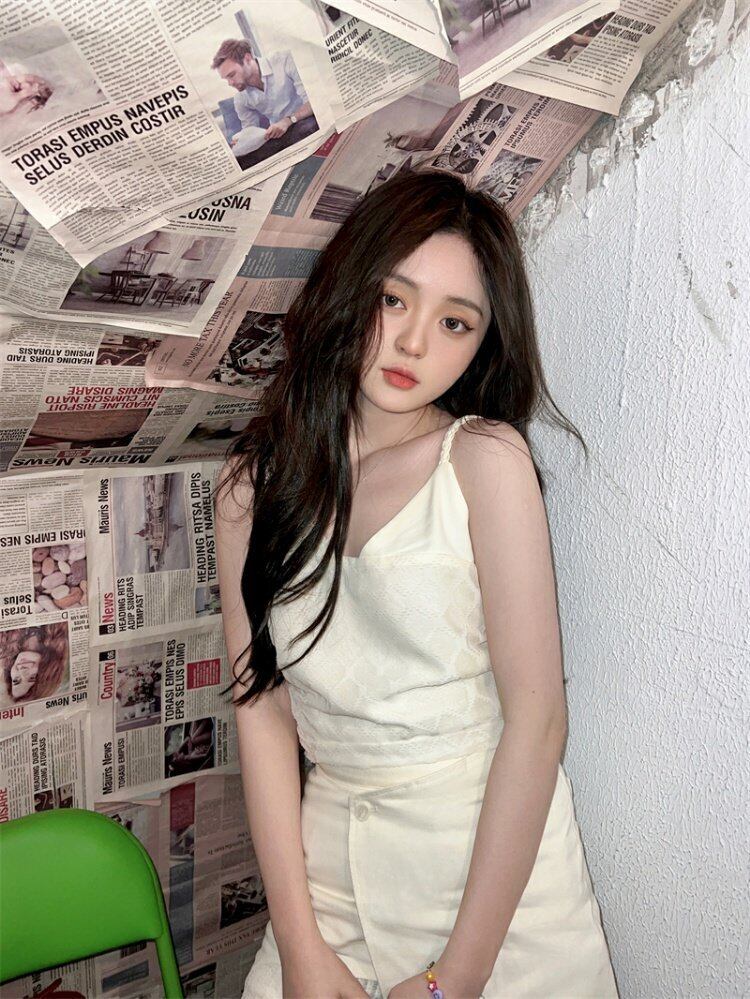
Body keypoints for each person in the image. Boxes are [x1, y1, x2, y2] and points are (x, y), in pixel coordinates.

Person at [214, 169, 619, 998]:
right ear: (348, 287)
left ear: (482, 343)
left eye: (454, 321)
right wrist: (298, 944)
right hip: (325, 880)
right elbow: (262, 714)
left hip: (492, 887)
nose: (412, 343)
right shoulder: (250, 488)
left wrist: (454, 978)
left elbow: (538, 722)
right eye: (393, 300)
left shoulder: (484, 460)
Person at [210, 39, 319, 168]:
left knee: (305, 129)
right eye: (226, 79)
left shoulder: (284, 61)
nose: (230, 83)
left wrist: (288, 120)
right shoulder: (240, 99)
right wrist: (242, 141)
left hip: (305, 120)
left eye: (232, 75)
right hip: (278, 136)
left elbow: (314, 100)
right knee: (240, 161)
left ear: (247, 59)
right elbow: (250, 129)